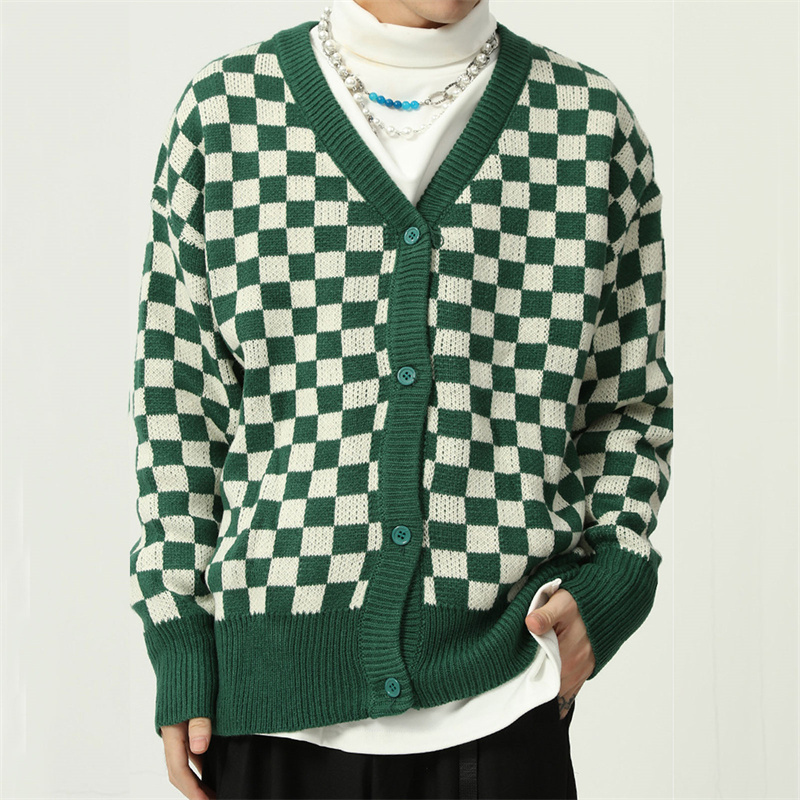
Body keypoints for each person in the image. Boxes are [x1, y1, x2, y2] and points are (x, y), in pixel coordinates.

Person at [128, 0, 674, 797]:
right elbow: (178, 404)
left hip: (502, 699)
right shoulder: (228, 112)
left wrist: (613, 584)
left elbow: (626, 405)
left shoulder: (587, 124)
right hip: (271, 712)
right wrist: (178, 635)